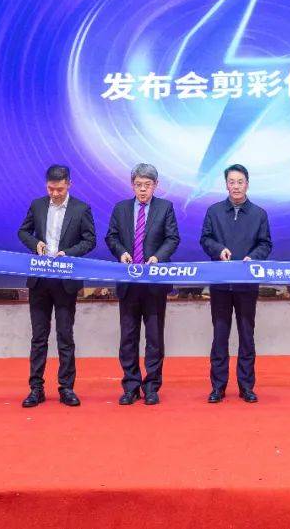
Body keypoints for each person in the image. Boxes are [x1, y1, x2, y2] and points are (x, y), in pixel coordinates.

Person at [17, 165, 97, 408]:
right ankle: (36, 388)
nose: (55, 193)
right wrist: (36, 244)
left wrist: (68, 253)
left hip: (65, 282)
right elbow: (23, 232)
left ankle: (66, 388)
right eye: (51, 189)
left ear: (69, 184)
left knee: (65, 336)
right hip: (39, 281)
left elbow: (90, 240)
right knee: (38, 337)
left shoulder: (81, 209)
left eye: (59, 189)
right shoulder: (37, 205)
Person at [105, 163, 180, 405]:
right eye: (138, 185)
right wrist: (121, 253)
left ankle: (152, 387)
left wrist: (158, 257)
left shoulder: (165, 208)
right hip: (128, 283)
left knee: (154, 338)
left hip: (154, 284)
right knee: (128, 337)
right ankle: (130, 386)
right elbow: (111, 237)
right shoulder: (121, 208)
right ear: (132, 185)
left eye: (147, 185)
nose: (143, 189)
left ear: (156, 185)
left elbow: (172, 238)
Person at [199, 164, 273, 403]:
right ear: (226, 185)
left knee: (246, 336)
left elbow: (265, 244)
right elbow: (205, 239)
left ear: (247, 184)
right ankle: (218, 387)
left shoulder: (259, 214)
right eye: (232, 182)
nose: (236, 186)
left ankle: (246, 386)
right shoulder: (214, 211)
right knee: (220, 336)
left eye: (240, 182)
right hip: (220, 284)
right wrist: (218, 250)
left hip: (246, 284)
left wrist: (253, 257)